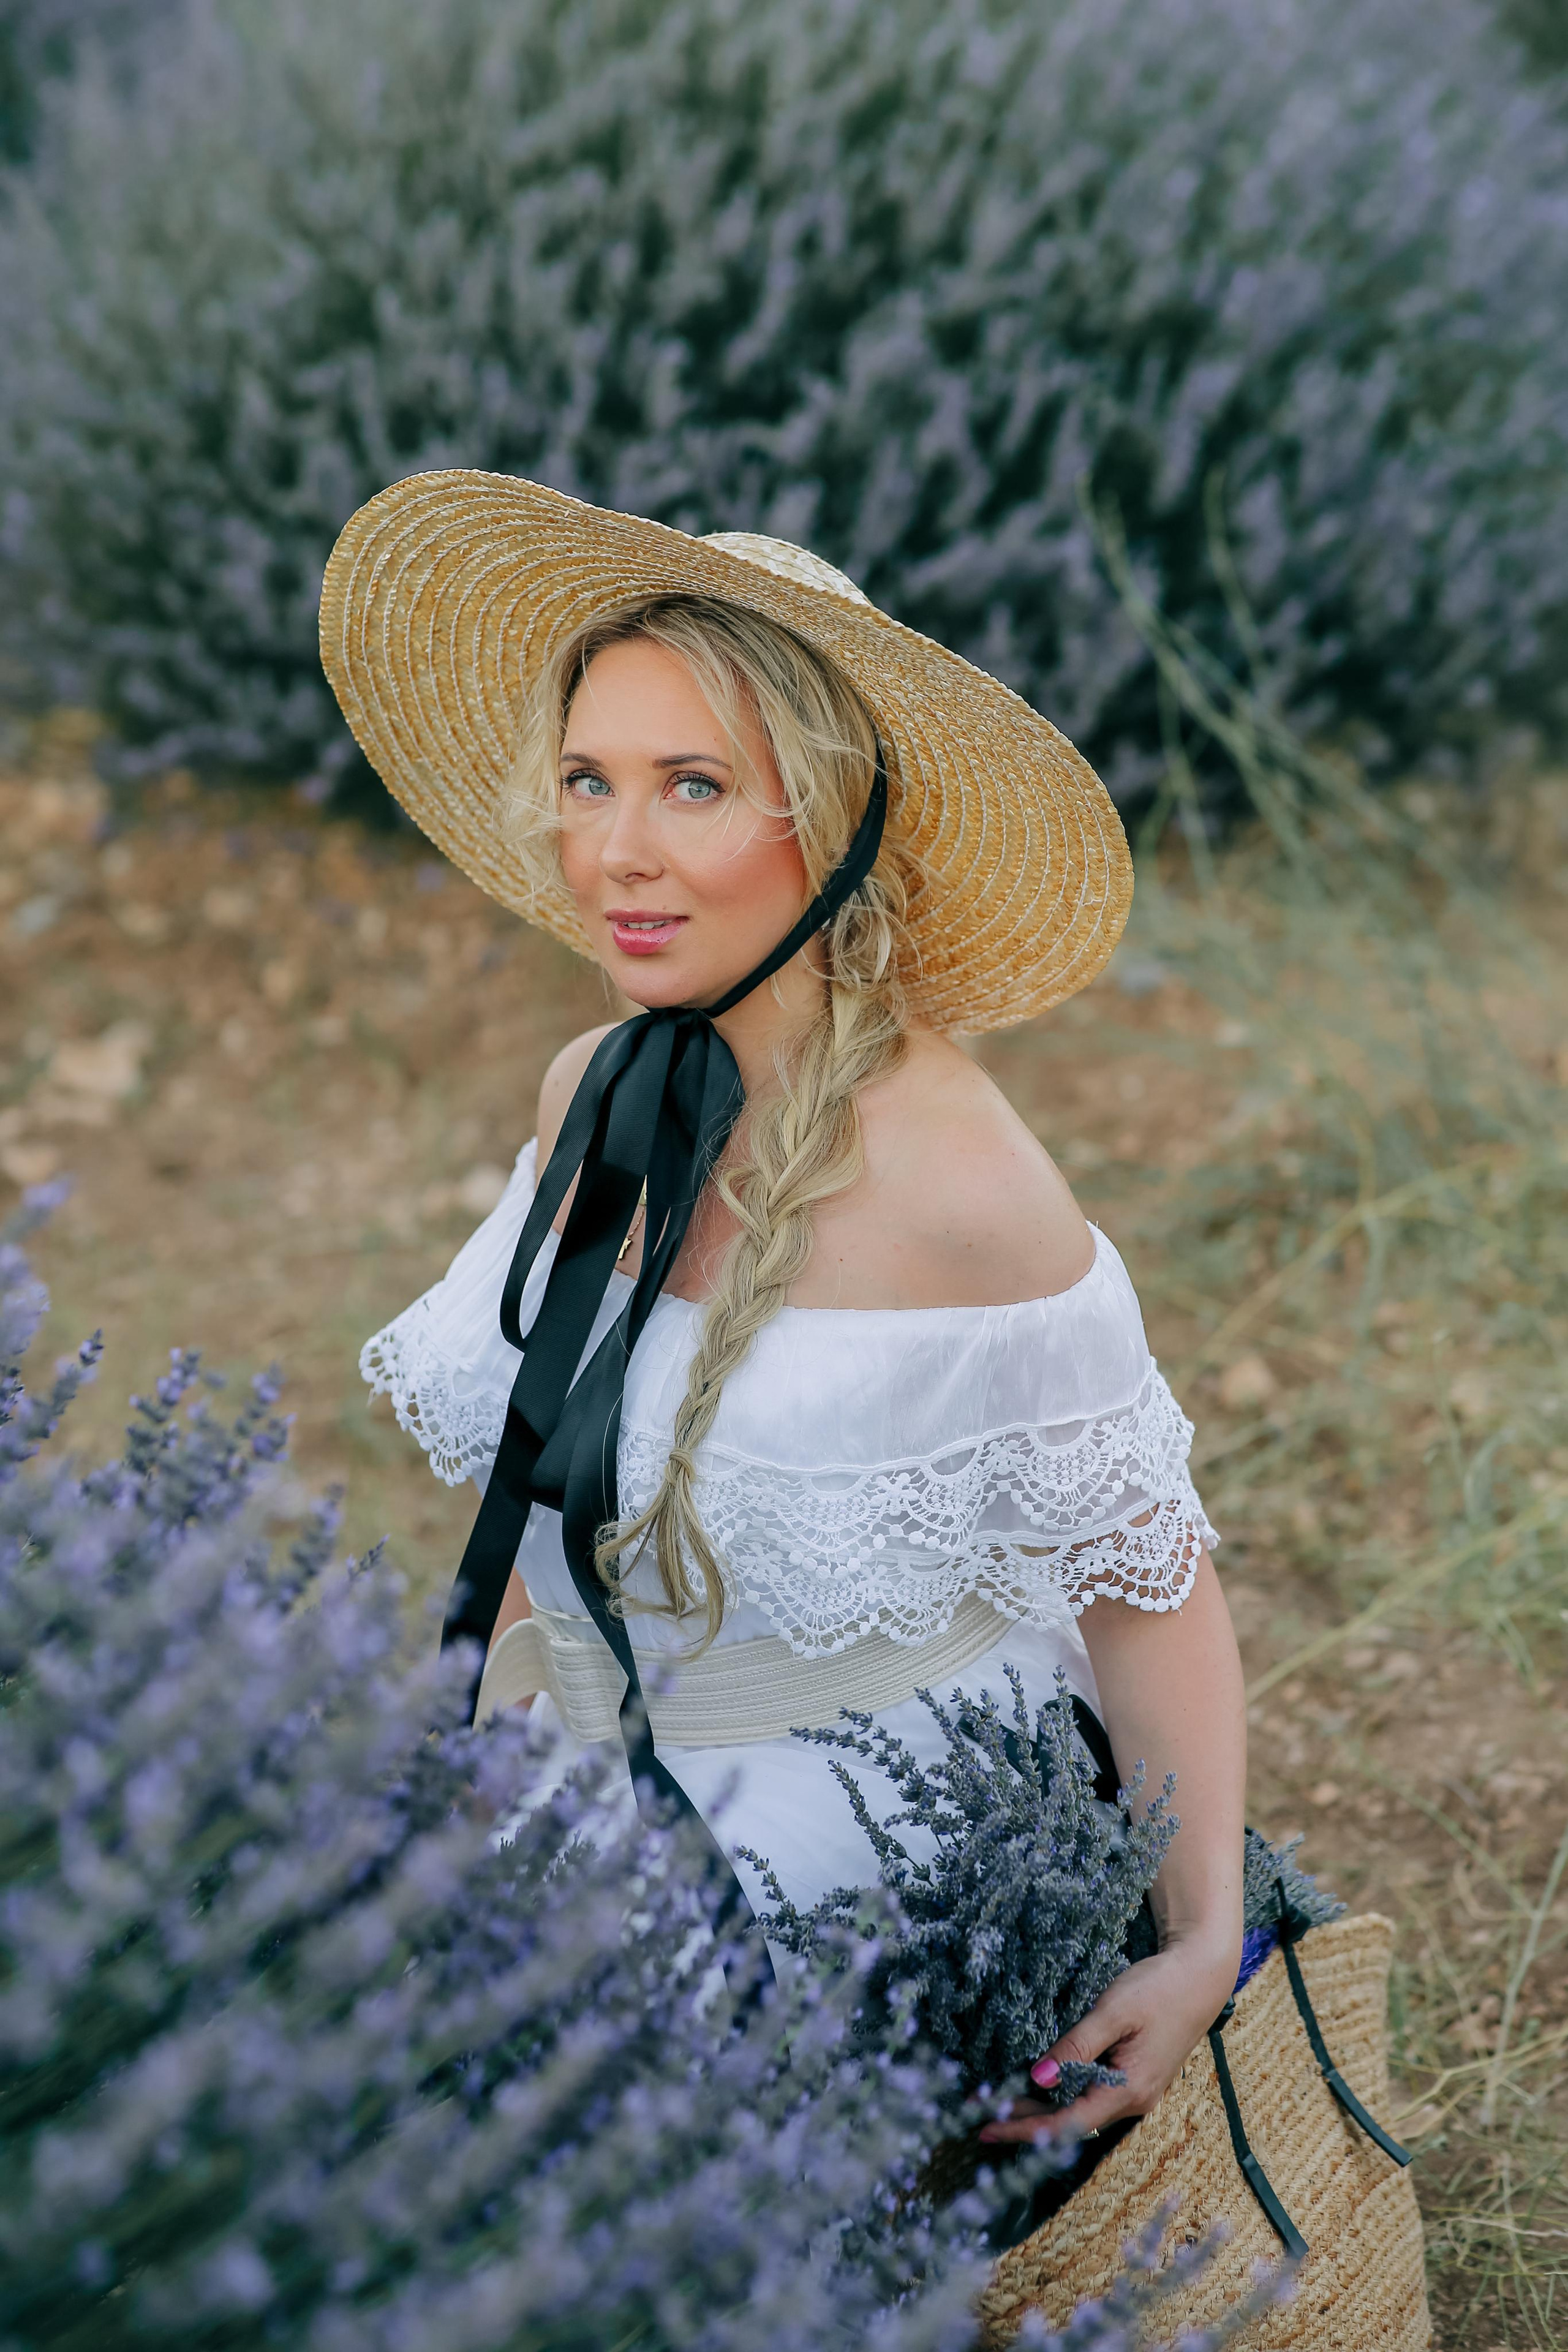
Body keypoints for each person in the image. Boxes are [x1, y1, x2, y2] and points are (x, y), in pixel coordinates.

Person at [323, 475, 1246, 2153]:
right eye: (593, 782)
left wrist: (1199, 1943)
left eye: (695, 787)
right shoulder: (587, 1089)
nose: (620, 850)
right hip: (574, 1773)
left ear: (820, 824)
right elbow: (565, 1507)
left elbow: (1148, 1584)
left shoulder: (971, 1192)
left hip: (857, 1846)